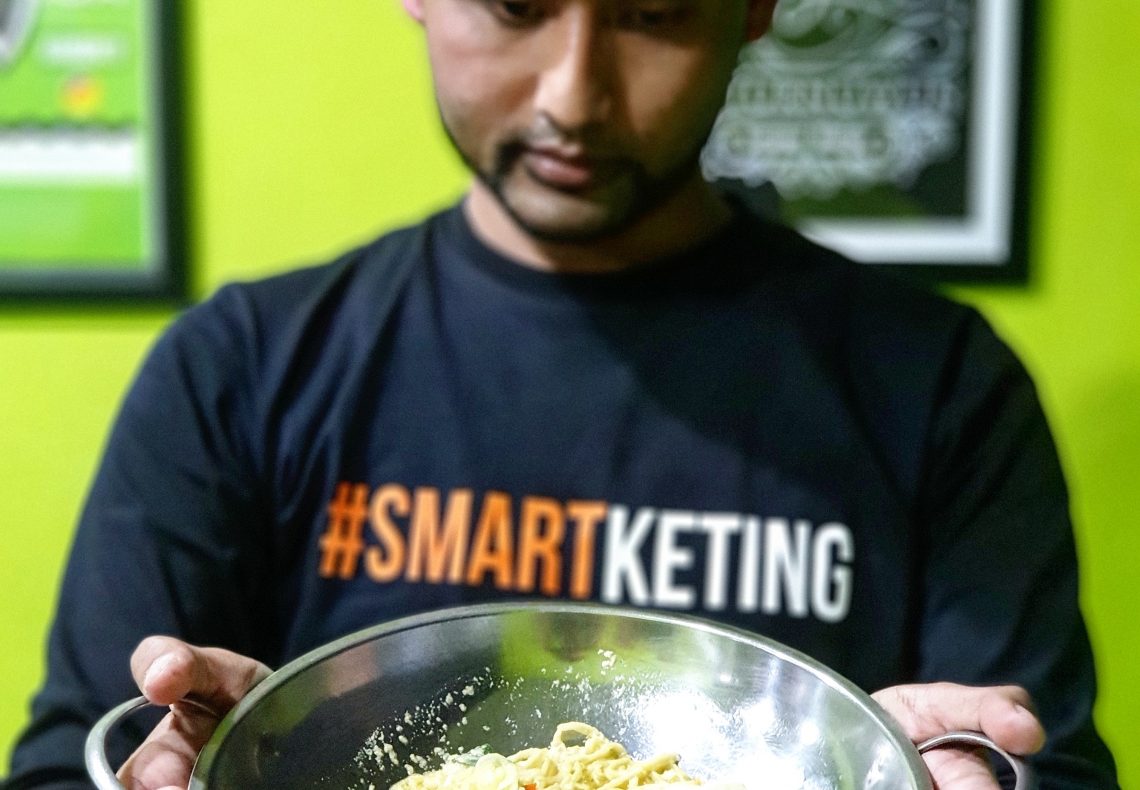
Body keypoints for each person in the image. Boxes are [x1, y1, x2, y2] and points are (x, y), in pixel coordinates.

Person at [3, 0, 1118, 788]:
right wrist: (214, 761)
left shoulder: (940, 385)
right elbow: (70, 761)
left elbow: (1041, 758)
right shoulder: (240, 367)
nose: (574, 95)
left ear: (756, 8)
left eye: (652, 13)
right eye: (515, 6)